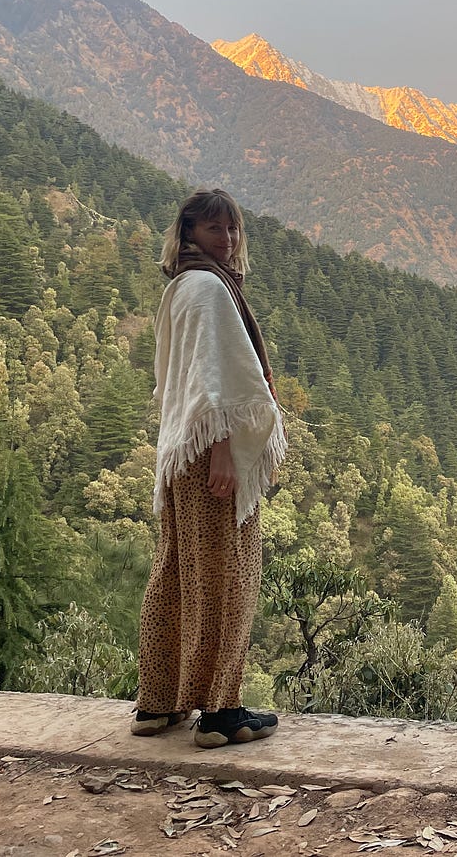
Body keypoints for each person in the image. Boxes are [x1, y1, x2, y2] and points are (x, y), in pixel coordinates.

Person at [132, 188, 287, 748]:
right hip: (210, 456)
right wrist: (224, 449)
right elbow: (213, 382)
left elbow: (183, 378)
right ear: (190, 232)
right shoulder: (208, 290)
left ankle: (158, 703)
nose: (228, 239)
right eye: (215, 229)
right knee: (229, 575)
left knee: (177, 571)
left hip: (181, 453)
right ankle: (221, 713)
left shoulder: (181, 287)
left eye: (234, 229)